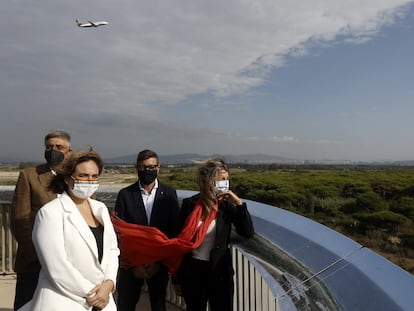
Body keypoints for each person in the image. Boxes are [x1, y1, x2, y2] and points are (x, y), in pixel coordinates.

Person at [19, 149, 120, 311]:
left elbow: (112, 251)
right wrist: (94, 294)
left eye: (94, 176)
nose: (90, 181)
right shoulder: (50, 213)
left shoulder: (100, 209)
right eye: (83, 176)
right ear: (67, 178)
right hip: (62, 299)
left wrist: (109, 283)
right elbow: (57, 267)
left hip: (102, 299)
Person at [175, 158, 255, 311]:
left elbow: (247, 232)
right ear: (208, 181)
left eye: (227, 179)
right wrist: (176, 279)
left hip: (219, 271)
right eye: (221, 179)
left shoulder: (226, 206)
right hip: (193, 271)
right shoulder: (189, 205)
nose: (225, 183)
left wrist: (238, 203)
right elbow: (178, 243)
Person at [10, 129, 72, 310]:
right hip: (33, 262)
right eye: (49, 146)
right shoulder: (29, 176)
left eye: (59, 147)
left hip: (68, 262)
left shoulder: (75, 177)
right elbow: (20, 221)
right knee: (27, 305)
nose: (53, 150)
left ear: (68, 150)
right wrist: (40, 256)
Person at [115, 149, 180, 311]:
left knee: (158, 305)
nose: (148, 171)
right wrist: (136, 263)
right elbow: (119, 232)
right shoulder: (125, 195)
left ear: (158, 168)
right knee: (126, 304)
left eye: (152, 167)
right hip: (132, 265)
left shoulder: (169, 194)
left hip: (159, 263)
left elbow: (173, 230)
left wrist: (157, 261)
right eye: (144, 167)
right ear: (137, 167)